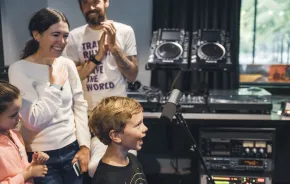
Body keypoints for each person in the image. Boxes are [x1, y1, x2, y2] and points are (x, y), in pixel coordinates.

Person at [8, 8, 91, 184]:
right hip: (41, 158)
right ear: (37, 35)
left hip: (72, 149)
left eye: (65, 36)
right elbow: (32, 121)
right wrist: (55, 85)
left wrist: (85, 146)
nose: (61, 41)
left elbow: (79, 105)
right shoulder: (19, 69)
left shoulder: (67, 64)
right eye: (55, 35)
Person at [63, 0, 139, 177]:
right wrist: (98, 56)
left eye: (95, 1)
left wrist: (114, 48)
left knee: (121, 169)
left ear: (106, 2)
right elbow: (75, 76)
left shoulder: (125, 31)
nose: (91, 7)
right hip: (86, 116)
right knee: (90, 171)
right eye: (85, 4)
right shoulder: (74, 36)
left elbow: (132, 74)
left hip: (117, 115)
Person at [89, 96, 148, 184]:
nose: (145, 128)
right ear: (116, 136)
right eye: (138, 125)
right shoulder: (106, 179)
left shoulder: (132, 159)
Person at [0, 80, 50, 183]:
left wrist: (32, 165)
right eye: (13, 115)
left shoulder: (15, 134)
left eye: (19, 111)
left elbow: (19, 168)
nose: (20, 117)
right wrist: (28, 174)